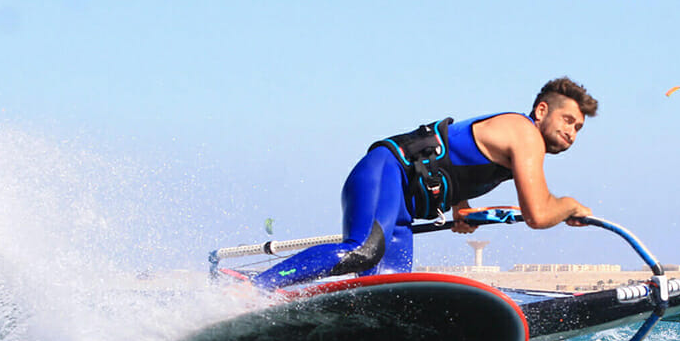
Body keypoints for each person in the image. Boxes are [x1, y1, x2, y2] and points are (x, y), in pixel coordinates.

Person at [253, 77, 598, 289]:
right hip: (385, 171)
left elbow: (452, 157)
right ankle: (253, 291)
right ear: (542, 111)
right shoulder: (525, 134)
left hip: (402, 208)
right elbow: (537, 214)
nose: (571, 131)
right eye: (567, 120)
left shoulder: (515, 142)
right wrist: (569, 205)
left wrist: (461, 208)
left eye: (578, 128)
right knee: (362, 252)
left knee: (386, 292)